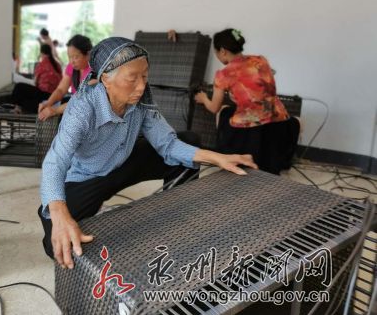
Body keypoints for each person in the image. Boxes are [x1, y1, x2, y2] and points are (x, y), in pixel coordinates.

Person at [38, 36, 257, 268]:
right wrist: (59, 211)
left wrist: (217, 157)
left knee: (186, 142)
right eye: (132, 78)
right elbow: (55, 162)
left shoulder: (141, 102)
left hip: (124, 162)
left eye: (144, 76)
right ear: (105, 78)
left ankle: (176, 217)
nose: (141, 86)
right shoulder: (82, 109)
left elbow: (169, 145)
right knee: (58, 245)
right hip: (88, 177)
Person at [194, 28, 300, 174]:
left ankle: (229, 156)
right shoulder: (261, 60)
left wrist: (204, 98)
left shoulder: (223, 74)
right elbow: (267, 84)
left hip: (249, 130)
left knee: (224, 112)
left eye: (216, 53)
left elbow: (213, 108)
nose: (217, 56)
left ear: (223, 51)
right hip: (279, 123)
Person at [38, 34, 93, 121]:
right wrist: (48, 103)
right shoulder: (72, 67)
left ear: (88, 54)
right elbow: (61, 90)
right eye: (69, 57)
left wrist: (54, 110)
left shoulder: (93, 72)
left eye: (76, 57)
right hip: (75, 105)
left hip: (88, 112)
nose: (72, 61)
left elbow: (82, 101)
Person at [8, 44, 62, 113]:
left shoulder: (42, 64)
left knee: (19, 87)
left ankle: (16, 108)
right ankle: (21, 109)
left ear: (41, 53)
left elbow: (35, 82)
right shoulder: (57, 65)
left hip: (44, 94)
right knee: (31, 98)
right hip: (54, 95)